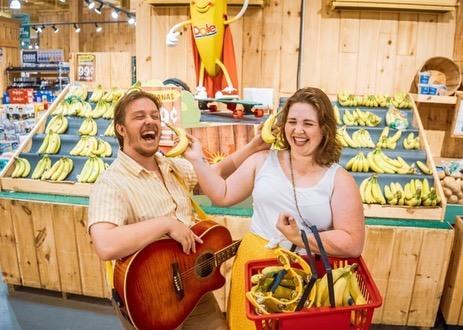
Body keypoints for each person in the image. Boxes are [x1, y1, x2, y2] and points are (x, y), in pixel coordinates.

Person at [183, 87, 365, 329]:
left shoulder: (338, 179)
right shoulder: (262, 161)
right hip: (253, 265)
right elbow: (222, 194)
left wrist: (299, 237)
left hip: (304, 274)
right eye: (292, 121)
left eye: (308, 123)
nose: (298, 131)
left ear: (324, 129)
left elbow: (352, 242)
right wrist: (197, 160)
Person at [87, 90, 267, 330]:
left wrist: (253, 147)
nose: (150, 121)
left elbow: (217, 174)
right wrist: (166, 224)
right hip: (150, 300)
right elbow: (105, 244)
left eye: (154, 115)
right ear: (121, 129)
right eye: (139, 116)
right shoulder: (111, 183)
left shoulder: (172, 167)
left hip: (194, 289)